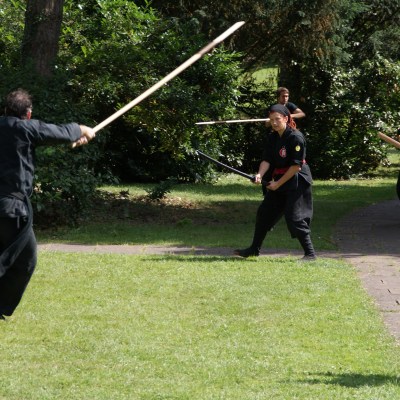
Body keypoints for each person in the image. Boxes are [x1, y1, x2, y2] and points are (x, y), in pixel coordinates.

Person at [0, 89, 96, 320]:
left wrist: (76, 134)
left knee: (16, 259)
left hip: (9, 208)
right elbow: (59, 131)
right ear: (28, 114)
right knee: (24, 261)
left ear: (5, 110)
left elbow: (58, 134)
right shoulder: (25, 129)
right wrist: (83, 130)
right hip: (11, 210)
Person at [234, 104, 316, 261]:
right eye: (271, 120)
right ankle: (254, 249)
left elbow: (296, 166)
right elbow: (267, 160)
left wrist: (277, 184)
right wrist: (259, 175)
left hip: (297, 180)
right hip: (280, 178)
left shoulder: (296, 137)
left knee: (294, 217)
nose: (274, 123)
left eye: (277, 119)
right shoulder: (273, 137)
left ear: (286, 118)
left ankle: (310, 254)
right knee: (264, 213)